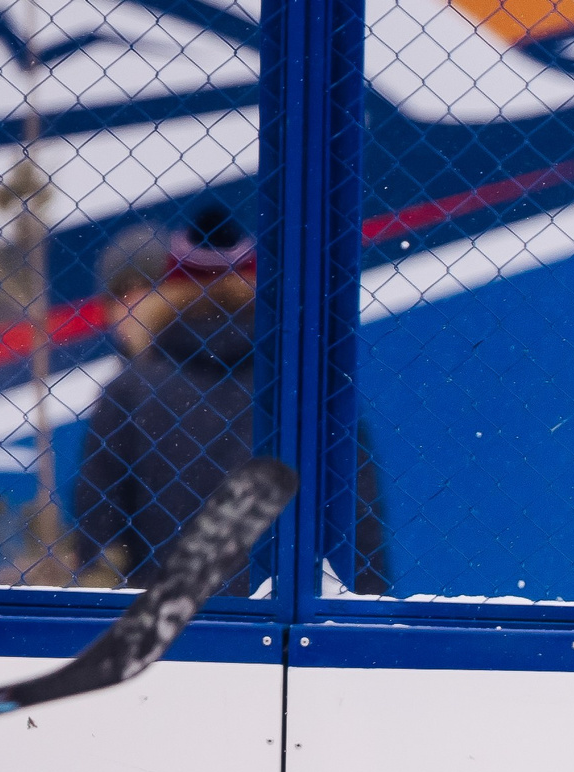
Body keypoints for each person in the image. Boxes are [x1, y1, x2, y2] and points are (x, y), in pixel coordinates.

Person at [71, 202, 390, 594]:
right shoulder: (308, 388)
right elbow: (357, 522)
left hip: (167, 628)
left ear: (166, 290)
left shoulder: (131, 392)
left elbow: (100, 533)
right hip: (280, 621)